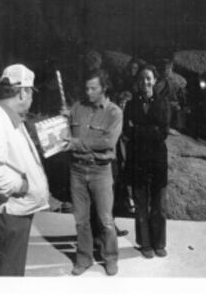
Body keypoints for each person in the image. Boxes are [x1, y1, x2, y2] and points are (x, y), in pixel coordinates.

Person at [0, 64, 50, 276]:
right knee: (9, 273)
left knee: (11, 268)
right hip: (9, 211)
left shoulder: (5, 115)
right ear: (23, 92)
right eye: (31, 93)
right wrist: (21, 185)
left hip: (14, 209)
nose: (32, 98)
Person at [64, 69, 122, 276]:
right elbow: (64, 136)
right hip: (77, 170)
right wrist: (63, 122)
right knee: (81, 219)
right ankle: (83, 259)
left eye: (93, 88)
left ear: (104, 88)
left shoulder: (114, 112)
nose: (88, 92)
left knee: (106, 219)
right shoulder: (77, 108)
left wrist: (77, 143)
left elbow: (107, 142)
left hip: (100, 171)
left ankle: (111, 258)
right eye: (86, 88)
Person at [124, 64, 171, 259]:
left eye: (149, 78)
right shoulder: (130, 105)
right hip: (138, 160)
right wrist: (150, 130)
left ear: (155, 80)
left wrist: (139, 130)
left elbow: (164, 132)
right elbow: (127, 132)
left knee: (159, 205)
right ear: (137, 82)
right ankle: (145, 243)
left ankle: (159, 243)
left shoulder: (163, 103)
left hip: (158, 160)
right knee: (141, 204)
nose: (146, 82)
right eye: (142, 78)